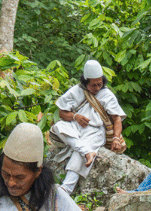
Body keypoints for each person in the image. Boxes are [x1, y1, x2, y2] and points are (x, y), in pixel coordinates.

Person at [49, 60, 127, 194]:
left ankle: (66, 188)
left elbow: (117, 118)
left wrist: (116, 138)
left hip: (95, 131)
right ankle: (86, 151)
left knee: (82, 150)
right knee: (59, 127)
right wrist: (75, 117)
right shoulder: (75, 91)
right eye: (93, 85)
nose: (97, 88)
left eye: (99, 84)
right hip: (75, 126)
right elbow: (62, 113)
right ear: (85, 83)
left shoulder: (107, 95)